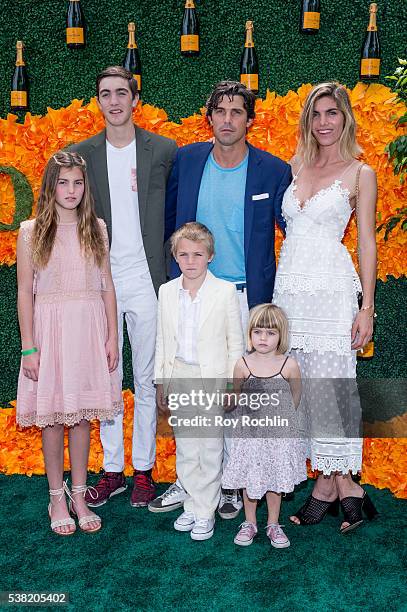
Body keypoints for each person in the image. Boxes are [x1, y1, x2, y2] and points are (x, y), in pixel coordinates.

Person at [151, 80, 292, 518]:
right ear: (208, 117)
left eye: (237, 112)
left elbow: (293, 228)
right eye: (220, 111)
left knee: (237, 390)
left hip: (246, 298)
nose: (228, 119)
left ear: (250, 120)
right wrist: (176, 284)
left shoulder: (273, 170)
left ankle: (231, 484)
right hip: (198, 292)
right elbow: (172, 222)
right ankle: (190, 480)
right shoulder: (188, 159)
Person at [272, 82, 379, 532]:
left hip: (333, 294)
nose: (324, 122)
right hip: (290, 294)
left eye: (332, 113)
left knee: (332, 391)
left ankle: (332, 486)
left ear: (345, 117)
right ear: (307, 120)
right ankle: (338, 487)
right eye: (317, 114)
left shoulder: (360, 172)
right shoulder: (294, 166)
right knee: (301, 391)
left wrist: (367, 307)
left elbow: (367, 241)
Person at [69, 66, 177, 508]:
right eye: (105, 94)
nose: (114, 101)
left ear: (136, 98)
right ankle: (112, 471)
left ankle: (144, 472)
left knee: (148, 377)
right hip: (101, 280)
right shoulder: (81, 155)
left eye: (121, 93)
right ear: (98, 101)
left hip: (148, 279)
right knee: (106, 377)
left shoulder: (164, 150)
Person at [16, 151, 122, 535]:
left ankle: (80, 493)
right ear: (50, 186)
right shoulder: (30, 232)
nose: (72, 190)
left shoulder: (97, 228)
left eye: (78, 182)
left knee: (80, 416)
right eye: (63, 182)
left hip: (89, 329)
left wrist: (111, 335)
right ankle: (56, 497)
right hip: (50, 330)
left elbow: (107, 286)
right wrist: (29, 346)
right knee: (54, 418)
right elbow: (24, 293)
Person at [154, 222, 244, 540]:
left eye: (197, 254)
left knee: (209, 447)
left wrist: (234, 385)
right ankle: (192, 505)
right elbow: (163, 340)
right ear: (175, 258)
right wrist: (161, 381)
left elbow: (235, 343)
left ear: (210, 256)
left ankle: (206, 510)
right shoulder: (167, 292)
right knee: (187, 447)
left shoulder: (224, 291)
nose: (190, 261)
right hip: (180, 375)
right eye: (183, 255)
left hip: (213, 379)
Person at [222, 304, 306, 548]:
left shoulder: (289, 365)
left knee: (274, 480)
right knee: (251, 479)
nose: (263, 338)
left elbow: (296, 398)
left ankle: (272, 523)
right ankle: (249, 523)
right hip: (250, 435)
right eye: (258, 332)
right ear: (250, 334)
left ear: (281, 335)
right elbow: (234, 393)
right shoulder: (242, 364)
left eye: (270, 333)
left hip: (278, 436)